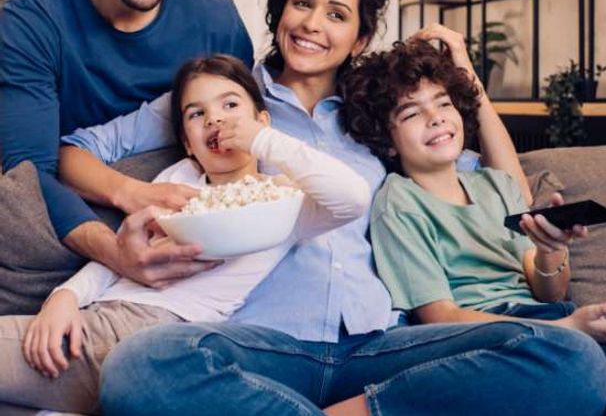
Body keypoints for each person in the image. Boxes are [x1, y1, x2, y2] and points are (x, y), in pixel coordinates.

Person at [57, 0, 606, 414]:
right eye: (302, 4)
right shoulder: (223, 95)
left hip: (379, 344)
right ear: (279, 11)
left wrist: (465, 75)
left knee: (574, 360)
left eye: (337, 14)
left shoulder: (380, 109)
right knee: (138, 366)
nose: (313, 25)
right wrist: (138, 193)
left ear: (361, 38)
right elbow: (76, 151)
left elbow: (496, 181)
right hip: (262, 345)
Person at [0, 54, 370, 414]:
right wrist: (64, 295)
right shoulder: (177, 181)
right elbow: (123, 256)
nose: (215, 119)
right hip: (96, 317)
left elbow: (351, 197)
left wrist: (261, 139)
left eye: (230, 105)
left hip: (155, 338)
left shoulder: (283, 200)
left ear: (262, 122)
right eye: (197, 113)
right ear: (188, 143)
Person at [0, 0, 252, 306]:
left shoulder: (217, 21)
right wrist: (124, 220)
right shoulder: (30, 20)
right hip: (64, 238)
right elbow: (29, 175)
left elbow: (244, 142)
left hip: (183, 243)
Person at [339, 38, 606, 414]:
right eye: (411, 114)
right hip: (481, 335)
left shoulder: (496, 185)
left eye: (442, 104)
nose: (435, 118)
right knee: (583, 360)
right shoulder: (398, 203)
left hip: (544, 320)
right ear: (387, 142)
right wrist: (567, 328)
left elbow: (548, 292)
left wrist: (552, 248)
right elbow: (439, 317)